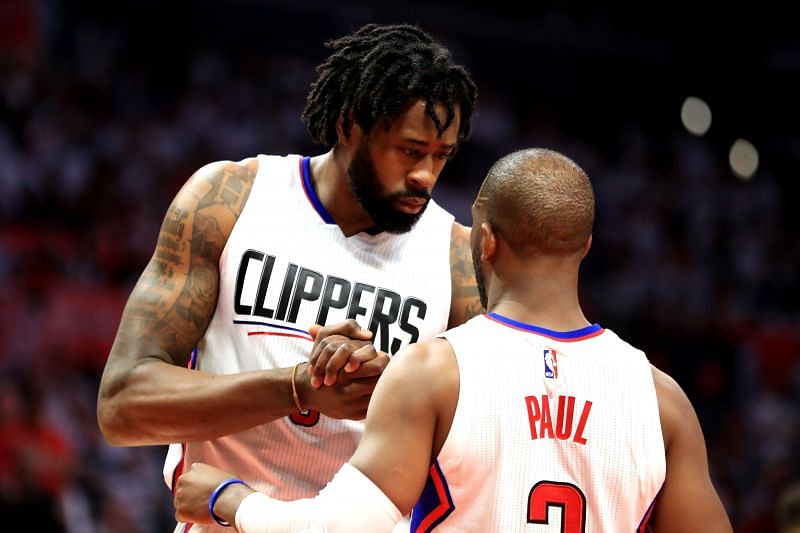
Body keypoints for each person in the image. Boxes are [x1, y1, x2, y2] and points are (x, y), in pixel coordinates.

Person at [172, 148, 733, 532]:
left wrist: (228, 498)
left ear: (484, 242)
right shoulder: (662, 401)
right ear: (585, 247)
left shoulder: (435, 372)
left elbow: (333, 529)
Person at [96, 23, 481, 532]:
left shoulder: (459, 258)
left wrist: (397, 387)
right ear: (350, 126)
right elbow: (123, 405)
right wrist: (301, 387)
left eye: (441, 156)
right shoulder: (230, 200)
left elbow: (479, 450)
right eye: (410, 151)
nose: (426, 177)